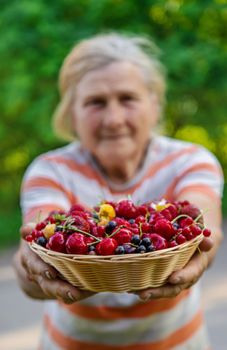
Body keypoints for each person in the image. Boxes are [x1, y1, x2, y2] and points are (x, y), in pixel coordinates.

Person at [14, 32, 223, 349]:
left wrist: (200, 251)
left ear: (154, 104)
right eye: (95, 103)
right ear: (73, 113)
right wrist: (33, 269)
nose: (113, 119)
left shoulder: (190, 161)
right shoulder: (50, 170)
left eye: (128, 99)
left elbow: (202, 227)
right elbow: (35, 249)